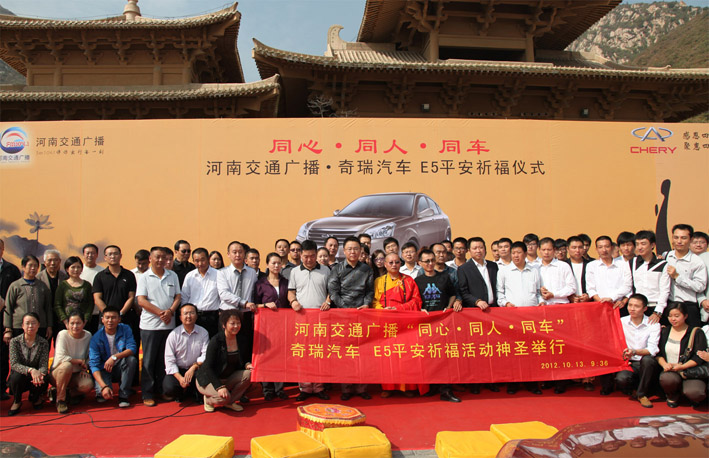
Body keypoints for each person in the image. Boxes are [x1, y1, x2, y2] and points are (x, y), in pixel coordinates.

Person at [373, 252, 426, 398]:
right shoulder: (379, 281)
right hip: (386, 323)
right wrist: (383, 311)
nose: (394, 265)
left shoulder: (408, 281)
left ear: (400, 263)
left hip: (405, 323)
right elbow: (374, 301)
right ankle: (388, 387)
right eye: (390, 262)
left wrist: (398, 309)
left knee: (405, 356)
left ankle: (407, 387)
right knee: (388, 357)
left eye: (396, 262)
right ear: (385, 264)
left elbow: (416, 301)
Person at [327, 236, 373, 399]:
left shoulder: (366, 269)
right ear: (344, 251)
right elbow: (333, 292)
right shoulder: (337, 269)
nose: (353, 252)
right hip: (343, 315)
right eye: (349, 249)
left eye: (356, 249)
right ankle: (346, 388)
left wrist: (366, 304)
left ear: (360, 251)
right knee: (345, 353)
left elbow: (369, 291)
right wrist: (345, 309)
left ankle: (361, 388)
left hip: (362, 315)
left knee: (363, 352)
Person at [497, 241, 544, 395]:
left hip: (531, 317)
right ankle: (514, 382)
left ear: (525, 253)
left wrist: (541, 302)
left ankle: (532, 382)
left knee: (531, 350)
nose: (516, 256)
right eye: (513, 253)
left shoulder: (534, 270)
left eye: (518, 252)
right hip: (512, 317)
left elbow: (539, 292)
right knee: (514, 350)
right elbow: (499, 293)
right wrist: (506, 303)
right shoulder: (504, 271)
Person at [136, 246, 181, 406]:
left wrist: (170, 311)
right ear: (150, 259)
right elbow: (141, 300)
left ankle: (162, 390)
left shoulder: (172, 275)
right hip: (150, 326)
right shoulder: (144, 277)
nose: (161, 260)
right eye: (157, 257)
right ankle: (147, 393)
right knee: (149, 361)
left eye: (163, 257)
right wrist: (161, 313)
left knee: (164, 360)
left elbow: (178, 296)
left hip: (169, 325)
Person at [415, 249, 459, 403]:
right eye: (426, 261)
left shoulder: (445, 277)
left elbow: (453, 294)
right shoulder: (417, 281)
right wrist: (420, 309)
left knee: (445, 357)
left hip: (443, 322)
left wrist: (449, 306)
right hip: (426, 324)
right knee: (430, 356)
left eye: (432, 260)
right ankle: (433, 386)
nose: (430, 263)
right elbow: (415, 300)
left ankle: (446, 390)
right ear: (420, 263)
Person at [289, 240, 331, 401]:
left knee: (319, 352)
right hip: (302, 319)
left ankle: (319, 387)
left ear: (316, 254)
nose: (309, 259)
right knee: (303, 353)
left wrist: (328, 301)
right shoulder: (294, 272)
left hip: (321, 318)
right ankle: (305, 387)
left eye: (312, 256)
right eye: (305, 256)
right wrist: (293, 302)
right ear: (300, 255)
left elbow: (331, 291)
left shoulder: (326, 270)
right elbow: (291, 292)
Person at [599, 294, 659, 406]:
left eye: (636, 306)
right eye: (630, 305)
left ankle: (641, 394)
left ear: (645, 308)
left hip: (645, 363)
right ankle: (633, 389)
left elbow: (652, 349)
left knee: (648, 360)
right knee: (622, 379)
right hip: (628, 362)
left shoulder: (653, 324)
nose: (632, 309)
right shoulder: (621, 321)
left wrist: (635, 352)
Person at [196, 310, 253, 412]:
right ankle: (209, 400)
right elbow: (208, 367)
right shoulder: (216, 341)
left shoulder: (241, 339)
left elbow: (244, 359)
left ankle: (230, 402)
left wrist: (247, 364)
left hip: (227, 378)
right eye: (232, 323)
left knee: (249, 374)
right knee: (222, 398)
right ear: (224, 325)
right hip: (209, 379)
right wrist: (219, 387)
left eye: (238, 323)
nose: (236, 326)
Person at [655, 302, 707, 408]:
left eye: (677, 316)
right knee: (667, 379)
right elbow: (658, 353)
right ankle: (672, 395)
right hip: (670, 370)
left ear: (685, 316)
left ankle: (688, 395)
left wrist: (682, 366)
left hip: (689, 371)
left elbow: (698, 357)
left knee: (696, 393)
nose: (673, 319)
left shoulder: (696, 332)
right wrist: (665, 364)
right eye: (670, 316)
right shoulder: (664, 331)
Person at [253, 253, 290, 401]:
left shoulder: (286, 282)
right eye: (273, 263)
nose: (276, 266)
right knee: (266, 356)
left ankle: (279, 388)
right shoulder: (260, 284)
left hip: (283, 325)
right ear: (267, 264)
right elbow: (254, 305)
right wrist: (264, 305)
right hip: (266, 326)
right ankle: (267, 389)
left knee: (280, 356)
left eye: (278, 263)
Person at [89, 306, 138, 408]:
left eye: (113, 317)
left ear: (119, 319)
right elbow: (94, 365)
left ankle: (123, 395)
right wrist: (103, 386)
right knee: (102, 397)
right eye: (107, 317)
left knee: (131, 360)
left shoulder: (125, 329)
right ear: (102, 320)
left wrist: (114, 357)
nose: (110, 321)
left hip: (119, 365)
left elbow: (132, 348)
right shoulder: (96, 338)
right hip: (104, 369)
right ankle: (103, 389)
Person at [92, 246, 138, 354]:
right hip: (105, 321)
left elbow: (131, 297)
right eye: (110, 254)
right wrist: (109, 316)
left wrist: (120, 314)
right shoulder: (100, 276)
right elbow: (97, 298)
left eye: (115, 253)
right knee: (103, 351)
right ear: (105, 257)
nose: (113, 256)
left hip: (125, 319)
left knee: (126, 350)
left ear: (120, 256)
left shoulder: (129, 275)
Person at [217, 241, 257, 361]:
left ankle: (244, 367)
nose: (237, 255)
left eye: (240, 252)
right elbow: (223, 294)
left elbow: (254, 293)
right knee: (226, 345)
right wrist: (243, 303)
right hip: (227, 313)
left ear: (244, 254)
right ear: (228, 254)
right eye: (234, 252)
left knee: (245, 344)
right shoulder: (222, 272)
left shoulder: (252, 272)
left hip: (245, 315)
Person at [48, 310, 93, 413]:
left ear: (84, 323)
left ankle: (66, 393)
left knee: (88, 384)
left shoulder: (88, 336)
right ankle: (60, 400)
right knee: (66, 366)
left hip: (76, 373)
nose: (75, 326)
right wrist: (78, 361)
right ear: (67, 324)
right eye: (72, 323)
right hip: (59, 373)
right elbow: (60, 357)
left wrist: (85, 365)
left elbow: (89, 356)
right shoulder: (62, 334)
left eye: (78, 323)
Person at [163, 303, 209, 403]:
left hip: (196, 369)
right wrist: (180, 378)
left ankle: (194, 391)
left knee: (205, 378)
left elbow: (205, 354)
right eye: (185, 313)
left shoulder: (203, 332)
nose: (189, 316)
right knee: (169, 387)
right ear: (180, 317)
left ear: (196, 316)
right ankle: (181, 393)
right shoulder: (173, 335)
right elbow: (169, 360)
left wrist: (194, 367)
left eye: (192, 313)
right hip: (179, 370)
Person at [665, 224, 707, 328]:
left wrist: (677, 277)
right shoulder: (667, 256)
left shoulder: (697, 261)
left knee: (691, 336)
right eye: (676, 237)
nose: (679, 241)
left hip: (688, 306)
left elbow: (700, 286)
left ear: (691, 239)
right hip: (669, 305)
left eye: (683, 238)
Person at [7, 312, 49, 415]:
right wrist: (30, 370)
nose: (30, 326)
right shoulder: (14, 342)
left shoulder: (43, 343)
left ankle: (35, 397)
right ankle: (17, 401)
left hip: (35, 377)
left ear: (38, 325)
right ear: (22, 325)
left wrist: (39, 373)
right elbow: (14, 364)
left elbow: (43, 365)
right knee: (16, 377)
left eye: (33, 323)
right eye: (27, 323)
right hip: (21, 374)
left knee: (44, 376)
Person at [4, 255, 52, 343]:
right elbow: (8, 307)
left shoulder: (42, 286)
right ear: (23, 267)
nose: (33, 268)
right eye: (30, 265)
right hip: (19, 327)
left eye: (35, 266)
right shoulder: (15, 286)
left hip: (40, 327)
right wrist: (8, 329)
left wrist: (49, 326)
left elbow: (48, 307)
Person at [631, 230, 670, 324]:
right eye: (637, 244)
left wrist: (658, 311)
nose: (640, 247)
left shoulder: (663, 264)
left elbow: (665, 290)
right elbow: (628, 285)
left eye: (643, 244)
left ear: (652, 245)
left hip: (656, 308)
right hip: (637, 309)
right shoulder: (632, 262)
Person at [587, 236, 633, 315]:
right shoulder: (591, 266)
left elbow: (628, 286)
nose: (604, 250)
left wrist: (614, 299)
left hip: (620, 306)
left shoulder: (624, 264)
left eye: (607, 246)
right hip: (600, 306)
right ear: (596, 249)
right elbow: (590, 289)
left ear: (612, 248)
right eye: (600, 247)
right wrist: (602, 302)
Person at [182, 248, 221, 337]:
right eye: (196, 261)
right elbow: (184, 297)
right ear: (193, 261)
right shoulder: (190, 276)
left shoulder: (218, 274)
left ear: (208, 259)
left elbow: (222, 295)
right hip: (194, 317)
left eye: (202, 260)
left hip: (212, 317)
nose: (200, 263)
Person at [0, 239, 22, 400]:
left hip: (5, 318)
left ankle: (1, 388)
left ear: (3, 249)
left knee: (3, 355)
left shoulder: (11, 270)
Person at [37, 249, 67, 343]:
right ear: (45, 262)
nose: (53, 263)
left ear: (60, 261)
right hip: (44, 319)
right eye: (50, 260)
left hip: (61, 318)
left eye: (56, 260)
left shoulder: (65, 278)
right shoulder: (38, 278)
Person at [54, 256, 93, 327]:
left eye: (78, 267)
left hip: (83, 324)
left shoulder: (87, 285)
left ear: (82, 269)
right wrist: (65, 322)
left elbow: (90, 304)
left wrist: (85, 320)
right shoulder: (62, 285)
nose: (76, 270)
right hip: (65, 324)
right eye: (73, 267)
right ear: (67, 269)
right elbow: (57, 305)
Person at [538, 238, 576, 305]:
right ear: (539, 250)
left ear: (554, 250)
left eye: (549, 250)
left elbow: (572, 287)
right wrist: (540, 294)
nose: (546, 252)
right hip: (543, 305)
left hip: (561, 304)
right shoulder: (535, 268)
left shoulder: (563, 266)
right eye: (543, 250)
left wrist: (554, 294)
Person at [566, 236, 592, 304]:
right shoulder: (563, 266)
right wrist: (569, 296)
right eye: (574, 248)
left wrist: (589, 295)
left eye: (580, 247)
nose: (577, 250)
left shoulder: (591, 265)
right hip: (569, 303)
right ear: (567, 249)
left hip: (588, 303)